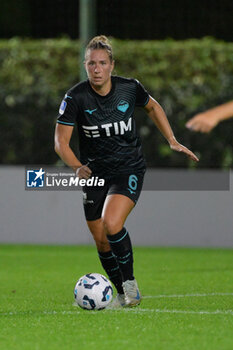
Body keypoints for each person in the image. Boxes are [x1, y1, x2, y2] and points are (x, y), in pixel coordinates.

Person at [54, 35, 199, 308]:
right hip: (94, 174)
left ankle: (130, 284)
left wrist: (172, 140)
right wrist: (76, 166)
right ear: (85, 66)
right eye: (91, 64)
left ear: (112, 65)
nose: (97, 69)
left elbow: (152, 107)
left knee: (111, 223)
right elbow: (60, 142)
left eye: (102, 63)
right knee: (100, 240)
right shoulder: (76, 97)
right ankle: (121, 294)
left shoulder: (129, 88)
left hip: (128, 167)